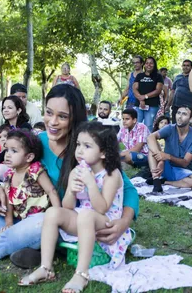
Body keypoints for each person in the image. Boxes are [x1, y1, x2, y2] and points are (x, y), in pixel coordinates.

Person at [0, 85, 138, 266]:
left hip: (65, 221)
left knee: (42, 222)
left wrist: (123, 222)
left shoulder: (87, 148)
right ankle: (36, 248)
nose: (52, 122)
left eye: (62, 116)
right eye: (49, 113)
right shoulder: (37, 142)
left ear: (75, 118)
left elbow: (127, 188)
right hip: (29, 211)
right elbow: (15, 168)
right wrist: (0, 189)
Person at [19, 122, 131, 291]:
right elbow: (68, 206)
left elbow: (102, 208)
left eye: (87, 146)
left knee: (86, 215)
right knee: (53, 212)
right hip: (83, 217)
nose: (79, 151)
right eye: (78, 144)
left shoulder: (111, 174)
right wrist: (71, 191)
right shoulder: (76, 171)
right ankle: (46, 267)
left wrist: (91, 184)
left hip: (106, 220)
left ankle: (82, 274)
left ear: (103, 152)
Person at [147, 105, 192, 191]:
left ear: (191, 119)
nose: (180, 117)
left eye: (184, 114)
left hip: (183, 172)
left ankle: (164, 182)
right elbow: (150, 137)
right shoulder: (170, 128)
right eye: (178, 113)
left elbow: (185, 163)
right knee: (152, 148)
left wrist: (168, 156)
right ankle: (156, 180)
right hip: (165, 166)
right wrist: (161, 159)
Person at [132, 56, 164, 131]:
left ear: (154, 64)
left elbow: (158, 90)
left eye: (151, 63)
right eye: (147, 63)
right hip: (139, 104)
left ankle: (147, 142)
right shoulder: (140, 76)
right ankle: (135, 142)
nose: (149, 65)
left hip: (152, 105)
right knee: (136, 125)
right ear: (144, 65)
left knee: (148, 126)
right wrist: (141, 99)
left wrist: (145, 97)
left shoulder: (158, 76)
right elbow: (134, 88)